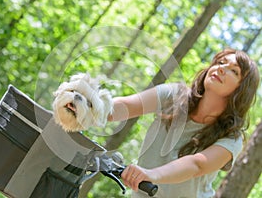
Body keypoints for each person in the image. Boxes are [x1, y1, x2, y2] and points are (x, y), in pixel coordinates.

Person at [108, 48, 260, 197]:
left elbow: (197, 165)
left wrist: (151, 174)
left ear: (241, 90)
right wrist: (89, 106)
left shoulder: (232, 137)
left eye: (234, 71)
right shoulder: (173, 96)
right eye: (220, 62)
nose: (221, 69)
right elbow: (125, 106)